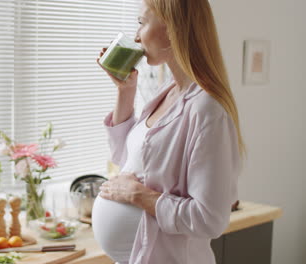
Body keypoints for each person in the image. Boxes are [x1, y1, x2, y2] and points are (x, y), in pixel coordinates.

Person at [91, 0, 244, 263]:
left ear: (174, 29)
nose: (136, 35)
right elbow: (123, 160)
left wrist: (138, 196)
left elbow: (210, 220)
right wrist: (125, 92)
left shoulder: (206, 109)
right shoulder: (168, 93)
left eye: (142, 22)